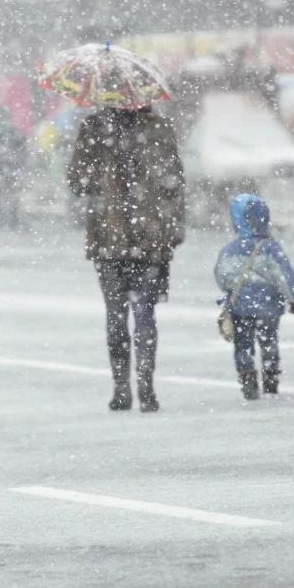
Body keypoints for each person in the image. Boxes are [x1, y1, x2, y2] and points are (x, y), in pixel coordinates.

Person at [68, 105, 185, 412]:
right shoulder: (156, 127)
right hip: (144, 237)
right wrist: (173, 229)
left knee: (120, 315)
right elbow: (175, 183)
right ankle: (142, 387)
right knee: (139, 315)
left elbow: (76, 181)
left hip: (117, 239)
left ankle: (126, 387)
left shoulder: (96, 127)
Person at [215, 194, 294, 399]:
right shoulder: (270, 248)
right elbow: (285, 276)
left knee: (243, 343)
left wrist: (232, 291)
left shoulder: (229, 250)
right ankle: (270, 377)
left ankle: (247, 376)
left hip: (240, 306)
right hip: (268, 305)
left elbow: (221, 275)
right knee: (269, 340)